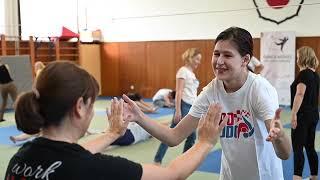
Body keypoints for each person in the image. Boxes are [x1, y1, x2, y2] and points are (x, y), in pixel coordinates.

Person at [5, 61, 228, 180]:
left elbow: (71, 154)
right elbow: (172, 175)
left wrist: (112, 134)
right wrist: (205, 142)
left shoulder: (21, 158)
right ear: (80, 107)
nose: (93, 112)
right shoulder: (93, 168)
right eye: (92, 104)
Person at [123, 27, 291, 180]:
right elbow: (174, 136)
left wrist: (280, 136)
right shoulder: (212, 90)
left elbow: (284, 154)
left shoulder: (259, 89)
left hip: (263, 176)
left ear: (245, 60)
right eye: (216, 54)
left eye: (227, 55)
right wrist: (139, 116)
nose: (219, 61)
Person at [153, 48, 201, 165]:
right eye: (197, 59)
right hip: (184, 106)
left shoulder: (192, 74)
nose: (198, 62)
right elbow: (179, 91)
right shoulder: (183, 71)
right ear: (190, 58)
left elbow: (192, 92)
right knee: (173, 134)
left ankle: (183, 161)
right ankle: (158, 160)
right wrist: (178, 110)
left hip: (192, 107)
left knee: (190, 136)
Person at [290, 46, 319, 180]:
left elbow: (300, 94)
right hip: (313, 115)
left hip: (302, 116)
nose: (297, 60)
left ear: (303, 57)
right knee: (310, 147)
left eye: (297, 57)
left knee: (298, 148)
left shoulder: (303, 74)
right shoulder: (315, 75)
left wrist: (294, 113)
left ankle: (297, 177)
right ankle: (313, 177)